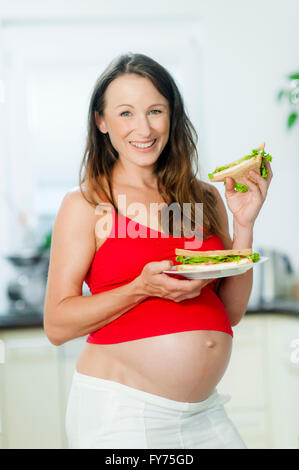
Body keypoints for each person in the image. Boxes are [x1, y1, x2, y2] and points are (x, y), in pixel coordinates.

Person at [43, 52, 272, 449]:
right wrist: (141, 288)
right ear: (101, 121)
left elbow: (230, 311)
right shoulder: (87, 204)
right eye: (126, 113)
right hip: (123, 413)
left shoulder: (203, 197)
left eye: (155, 110)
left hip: (206, 415)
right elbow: (57, 325)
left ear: (172, 115)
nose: (143, 128)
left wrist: (244, 225)